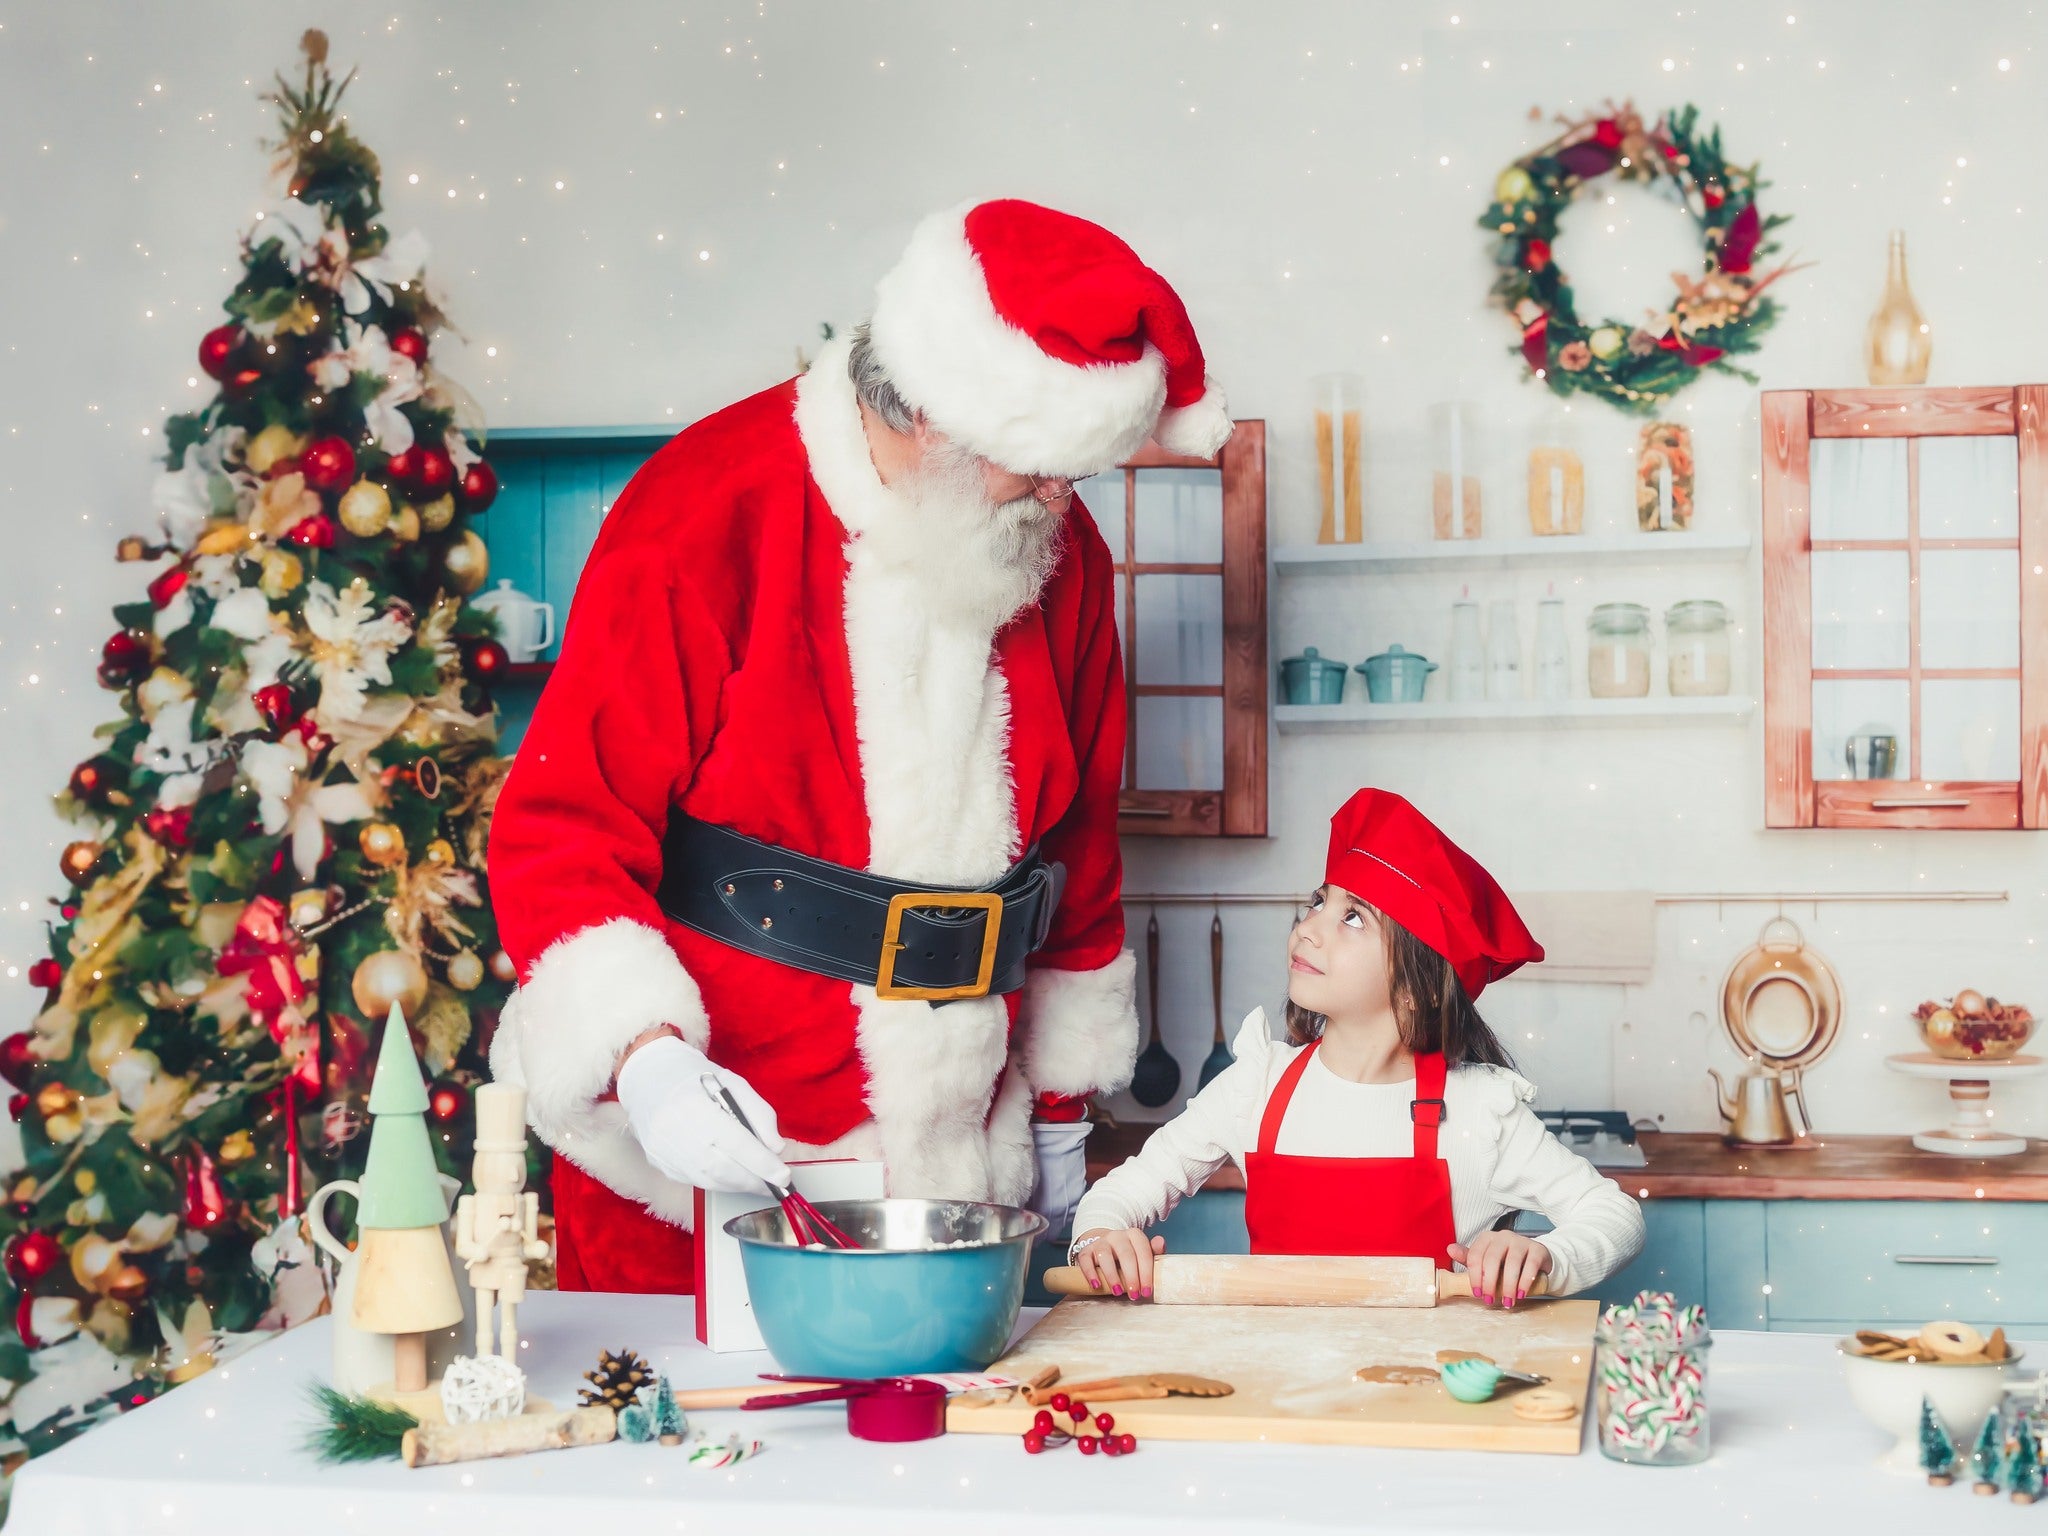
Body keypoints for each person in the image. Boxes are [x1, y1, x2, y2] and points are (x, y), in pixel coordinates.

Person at [485, 199, 1232, 1292]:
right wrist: (644, 1063)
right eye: (1032, 461)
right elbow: (561, 824)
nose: (1058, 495)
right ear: (931, 412)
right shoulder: (702, 510)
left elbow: (1078, 844)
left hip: (965, 1154)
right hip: (713, 1137)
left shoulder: (1051, 548)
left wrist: (1065, 1109)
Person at [1070, 788, 1644, 1305]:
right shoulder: (1259, 1084)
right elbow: (1125, 1189)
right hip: (1279, 1393)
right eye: (1318, 903)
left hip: (1426, 1397)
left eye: (1352, 918)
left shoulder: (1477, 1113)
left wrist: (1544, 1256)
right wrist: (1100, 1237)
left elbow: (1615, 1215)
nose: (1310, 927)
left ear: (1417, 988)